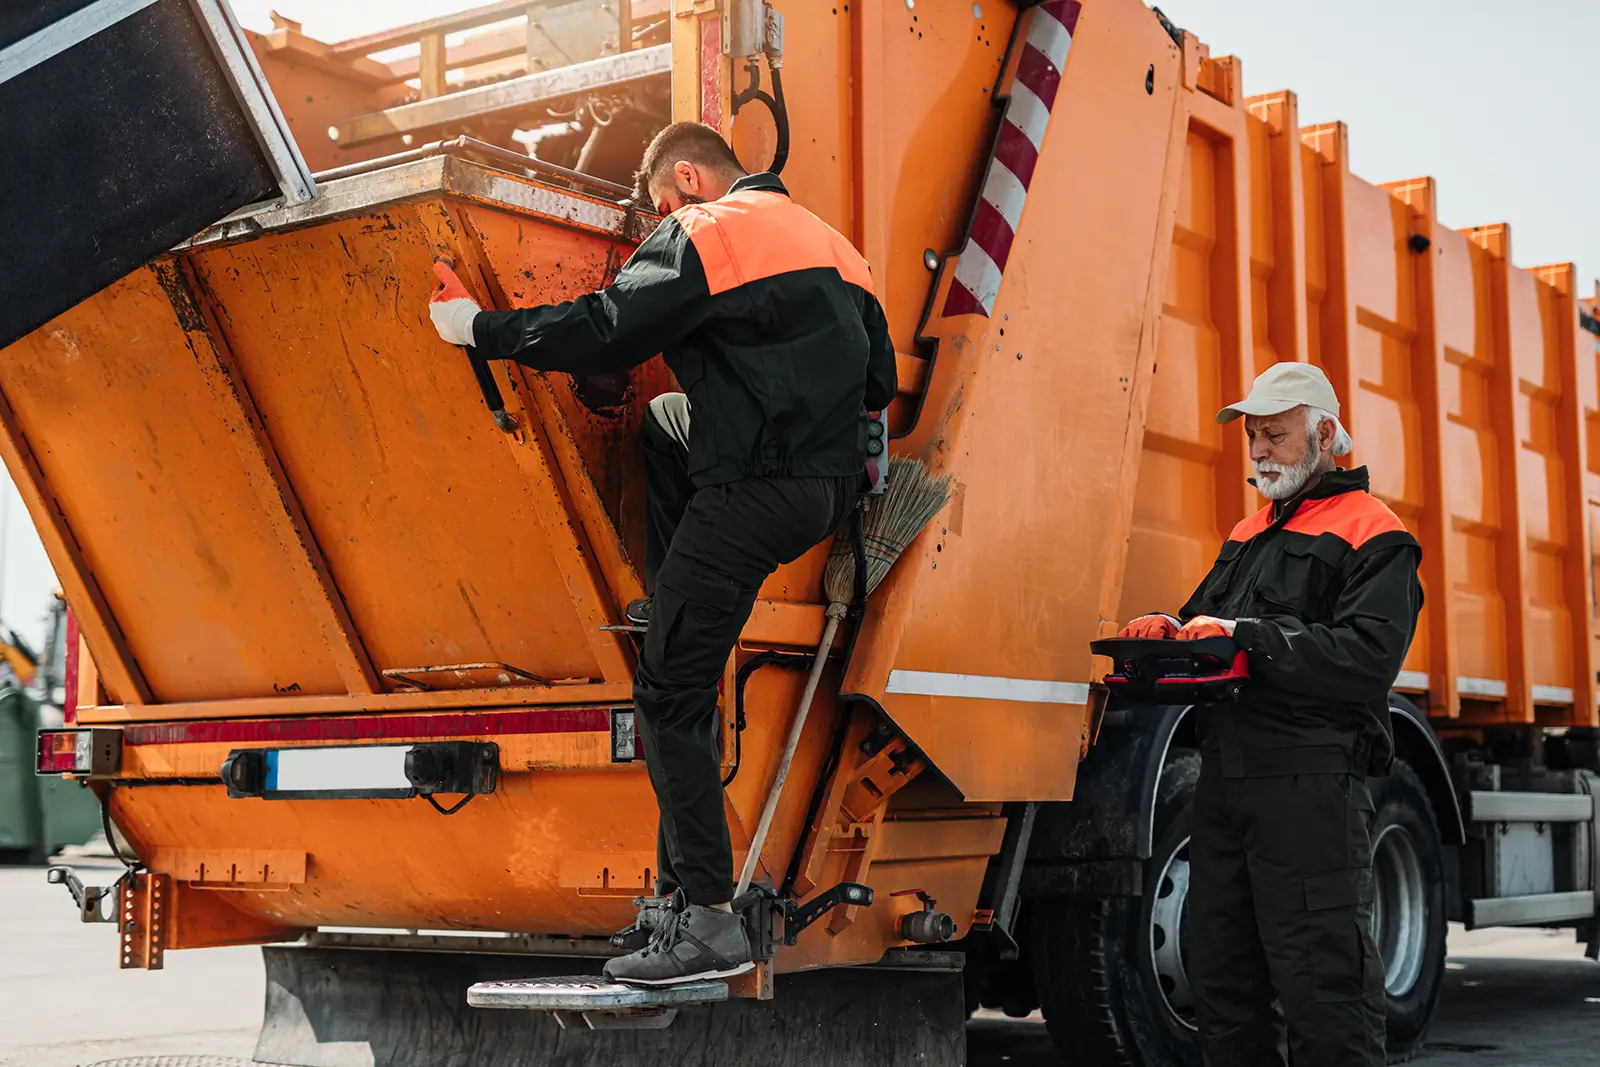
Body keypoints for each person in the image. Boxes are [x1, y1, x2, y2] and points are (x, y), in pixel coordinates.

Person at [426, 122, 897, 985]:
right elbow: (879, 386)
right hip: (819, 488)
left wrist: (479, 329)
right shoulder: (836, 246)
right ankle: (667, 598)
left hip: (752, 488)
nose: (658, 226)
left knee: (669, 691)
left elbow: (610, 328)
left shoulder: (708, 230)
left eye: (658, 211)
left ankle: (709, 918)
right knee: (666, 421)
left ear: (687, 178)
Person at [1117, 362, 1422, 1066]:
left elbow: (1368, 657)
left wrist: (1248, 639)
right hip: (1226, 785)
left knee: (1326, 992)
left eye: (1274, 435)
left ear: (1323, 432)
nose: (1258, 450)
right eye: (1253, 436)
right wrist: (1168, 627)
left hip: (1310, 788)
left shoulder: (1374, 532)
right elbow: (1209, 622)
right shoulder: (1249, 530)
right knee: (1224, 985)